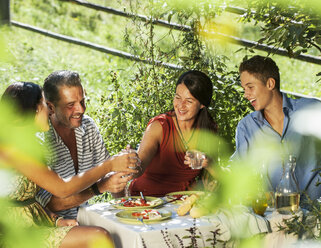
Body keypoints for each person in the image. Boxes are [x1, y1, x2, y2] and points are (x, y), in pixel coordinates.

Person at [0, 82, 138, 248]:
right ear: (36, 109)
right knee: (98, 237)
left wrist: (56, 220)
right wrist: (109, 166)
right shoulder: (14, 149)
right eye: (45, 104)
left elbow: (23, 200)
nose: (49, 110)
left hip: (32, 225)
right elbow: (63, 188)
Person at [233, 55, 321, 205]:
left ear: (270, 83)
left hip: (318, 213)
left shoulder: (310, 109)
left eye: (250, 87)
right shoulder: (247, 127)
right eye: (244, 89)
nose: (245, 94)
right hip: (277, 216)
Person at [36, 70, 133, 219]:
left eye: (82, 101)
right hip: (52, 225)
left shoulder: (87, 125)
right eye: (70, 105)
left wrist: (122, 170)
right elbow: (50, 203)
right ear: (51, 107)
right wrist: (101, 186)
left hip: (85, 219)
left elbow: (109, 171)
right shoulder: (39, 140)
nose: (81, 109)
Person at [129, 70, 218, 196]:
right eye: (177, 97)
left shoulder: (207, 130)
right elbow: (139, 168)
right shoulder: (159, 127)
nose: (180, 105)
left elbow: (217, 179)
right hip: (147, 202)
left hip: (182, 205)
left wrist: (208, 163)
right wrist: (130, 162)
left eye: (189, 101)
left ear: (202, 104)